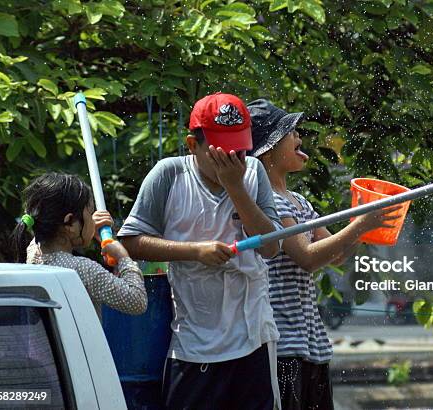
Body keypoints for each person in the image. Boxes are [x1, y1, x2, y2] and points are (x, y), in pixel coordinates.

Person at [118, 93, 283, 410]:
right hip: (195, 341)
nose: (233, 158)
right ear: (193, 145)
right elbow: (130, 243)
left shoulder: (252, 173)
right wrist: (194, 251)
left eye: (240, 149)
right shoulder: (169, 175)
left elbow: (271, 247)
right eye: (221, 153)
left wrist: (235, 187)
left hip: (253, 337)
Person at [247, 99, 401, 410]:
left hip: (312, 343)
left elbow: (336, 256)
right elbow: (307, 258)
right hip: (284, 345)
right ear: (269, 150)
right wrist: (359, 224)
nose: (299, 138)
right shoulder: (269, 203)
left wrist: (365, 226)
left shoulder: (299, 201)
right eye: (290, 133)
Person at [12, 172, 147, 317]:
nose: (92, 219)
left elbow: (59, 237)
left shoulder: (33, 251)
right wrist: (123, 258)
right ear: (69, 222)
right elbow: (137, 301)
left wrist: (85, 226)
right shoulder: (82, 269)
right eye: (90, 212)